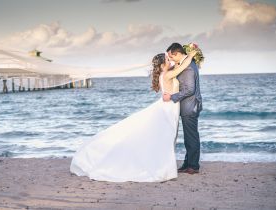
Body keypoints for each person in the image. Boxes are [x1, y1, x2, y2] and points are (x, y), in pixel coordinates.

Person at [69, 50, 197, 182]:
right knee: (167, 136)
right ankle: (162, 168)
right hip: (168, 108)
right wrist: (191, 55)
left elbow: (178, 69)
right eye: (166, 59)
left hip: (169, 107)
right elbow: (182, 66)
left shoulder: (164, 74)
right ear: (161, 65)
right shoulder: (168, 74)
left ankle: (163, 167)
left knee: (166, 136)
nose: (169, 60)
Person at [164, 43, 203, 174]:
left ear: (177, 53)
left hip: (190, 106)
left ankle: (193, 166)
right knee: (188, 136)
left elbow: (189, 90)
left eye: (171, 56)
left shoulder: (188, 68)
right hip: (188, 105)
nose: (170, 59)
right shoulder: (186, 64)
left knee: (191, 136)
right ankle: (188, 163)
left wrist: (172, 97)